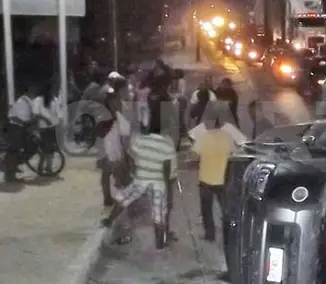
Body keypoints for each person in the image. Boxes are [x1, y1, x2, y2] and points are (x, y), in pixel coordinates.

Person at [103, 114, 177, 249]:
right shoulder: (167, 145)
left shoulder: (140, 140)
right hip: (158, 182)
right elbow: (167, 169)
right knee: (158, 214)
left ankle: (109, 220)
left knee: (124, 199)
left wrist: (134, 171)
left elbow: (131, 158)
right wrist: (166, 186)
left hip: (141, 178)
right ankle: (160, 243)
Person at [192, 110, 236, 242]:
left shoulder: (203, 136)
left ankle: (210, 235)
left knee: (207, 211)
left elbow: (194, 156)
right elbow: (233, 154)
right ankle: (229, 236)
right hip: (223, 179)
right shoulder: (227, 136)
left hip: (206, 179)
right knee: (226, 210)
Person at [5, 85, 48, 182]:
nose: (35, 91)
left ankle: (14, 166)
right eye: (33, 89)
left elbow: (30, 116)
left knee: (29, 147)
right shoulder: (22, 101)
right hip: (15, 127)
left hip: (21, 127)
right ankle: (10, 174)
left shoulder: (29, 101)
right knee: (14, 150)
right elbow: (13, 116)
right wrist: (24, 122)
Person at [98, 96, 132, 207]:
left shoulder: (102, 117)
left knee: (107, 175)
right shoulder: (118, 118)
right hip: (115, 153)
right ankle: (114, 201)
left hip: (107, 151)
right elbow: (125, 138)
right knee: (119, 180)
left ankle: (108, 198)